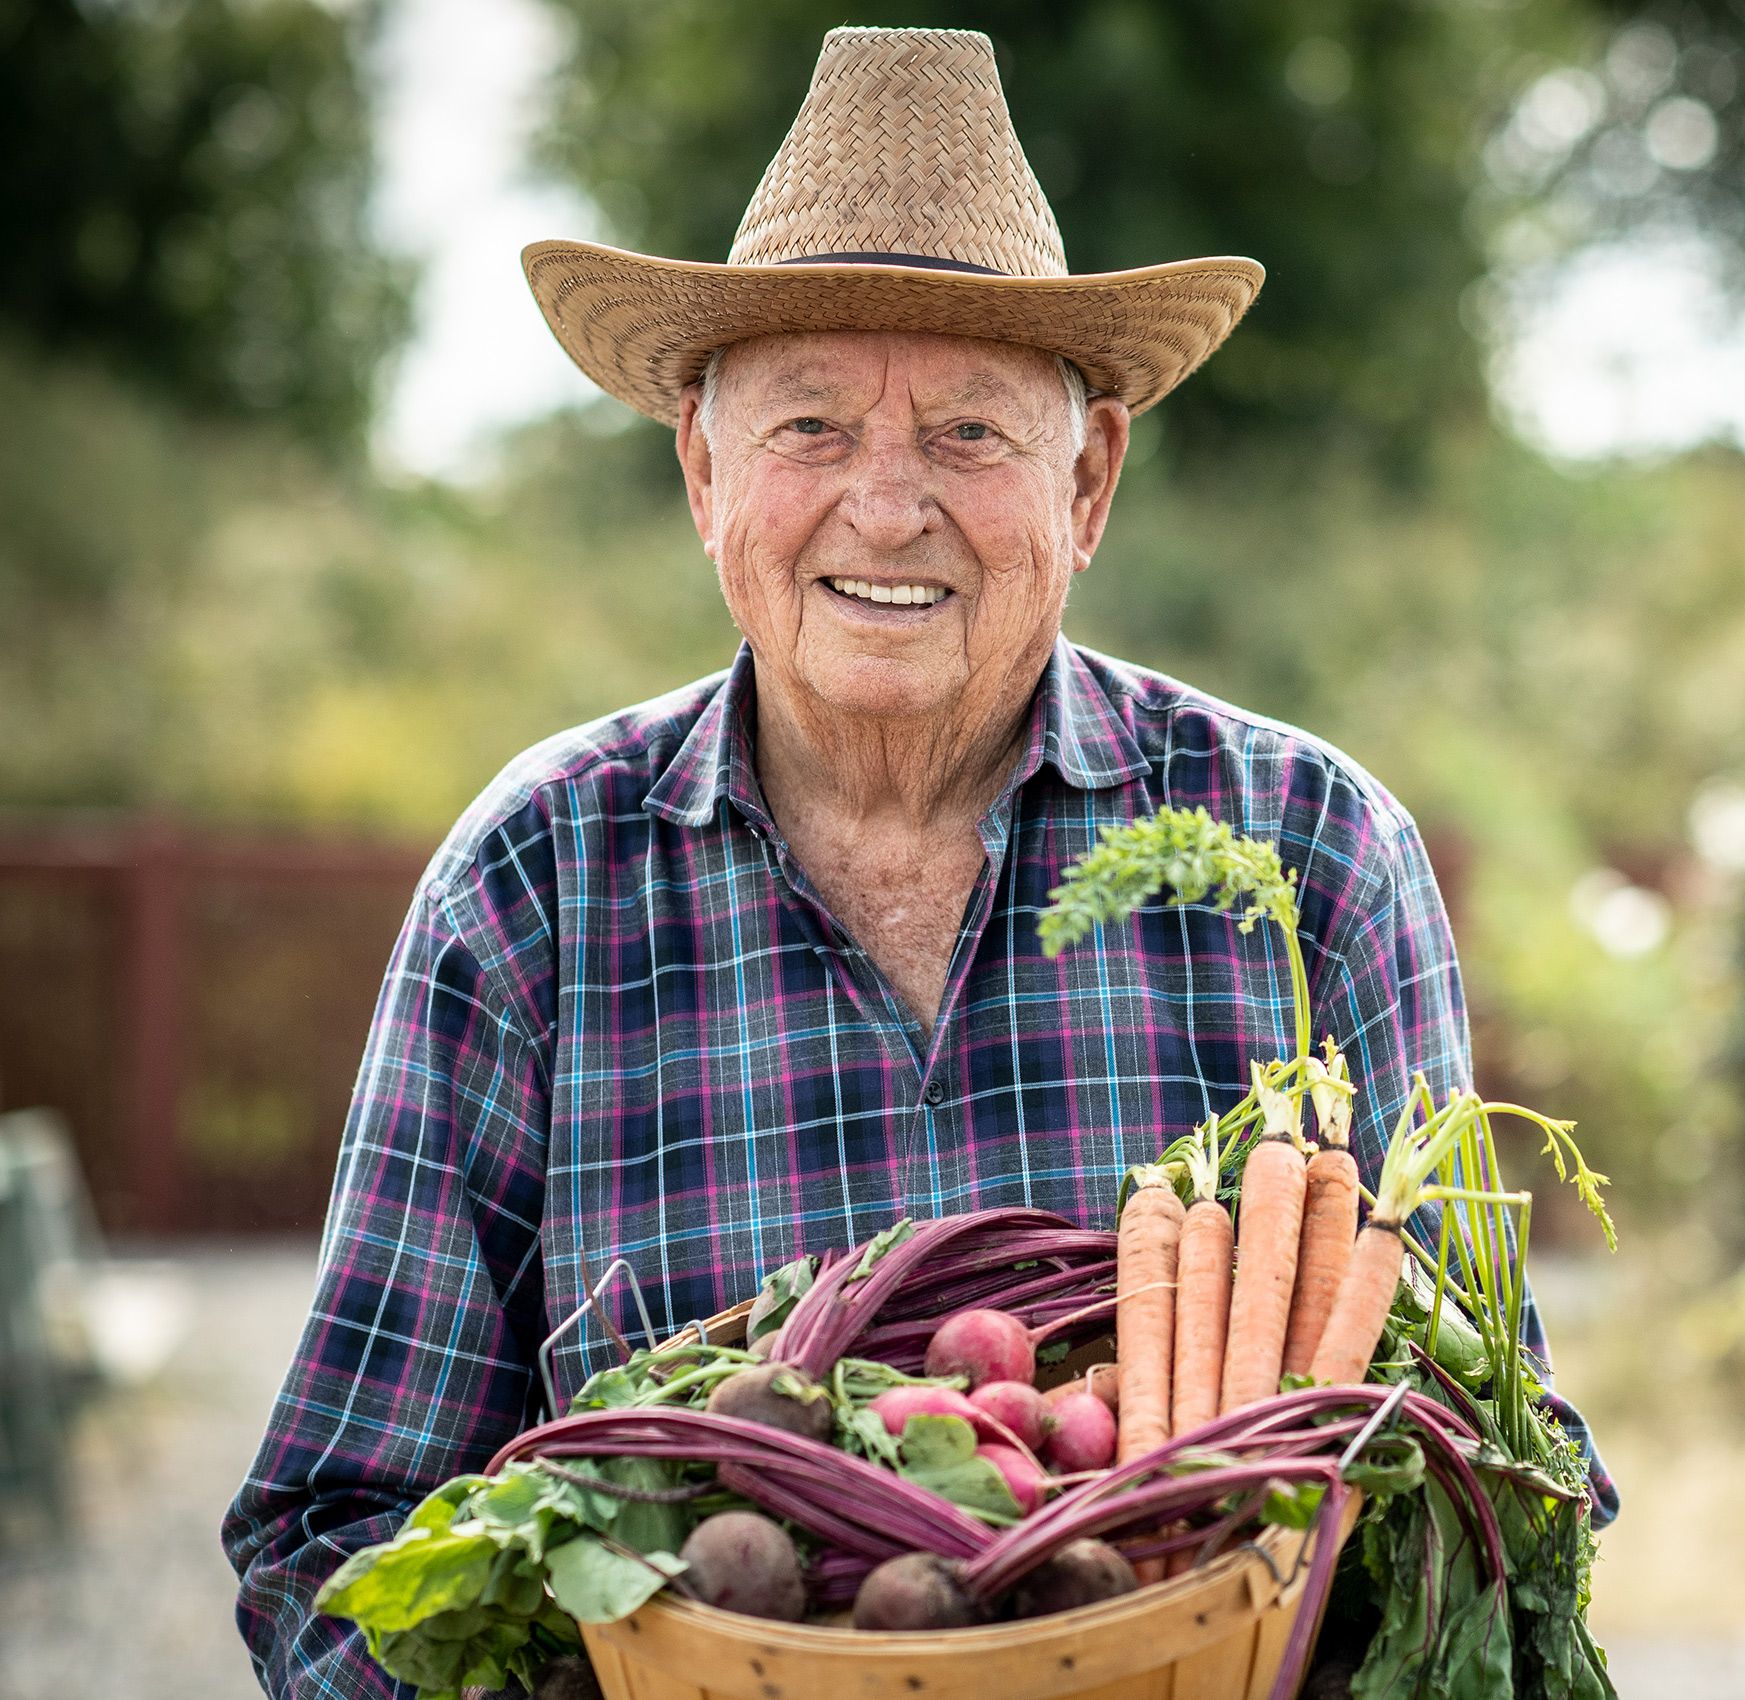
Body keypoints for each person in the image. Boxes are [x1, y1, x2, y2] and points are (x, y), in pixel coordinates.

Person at [223, 27, 1612, 1695]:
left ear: (1087, 479)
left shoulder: (1310, 863)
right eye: (809, 425)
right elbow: (337, 1536)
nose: (885, 511)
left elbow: (1510, 1498)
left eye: (966, 433)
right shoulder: (534, 887)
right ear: (702, 471)